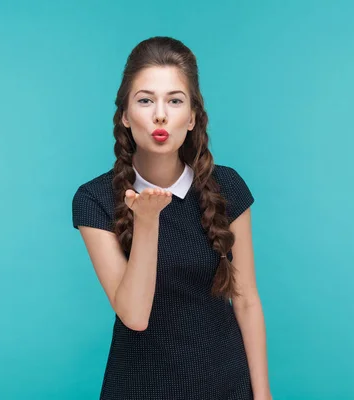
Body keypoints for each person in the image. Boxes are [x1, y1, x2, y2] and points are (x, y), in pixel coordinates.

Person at [72, 36, 272, 400]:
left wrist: (262, 395)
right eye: (145, 100)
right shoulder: (94, 199)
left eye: (175, 101)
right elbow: (134, 315)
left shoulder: (227, 186)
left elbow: (246, 300)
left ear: (193, 116)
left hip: (225, 385)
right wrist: (147, 221)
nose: (160, 114)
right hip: (138, 388)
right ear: (125, 116)